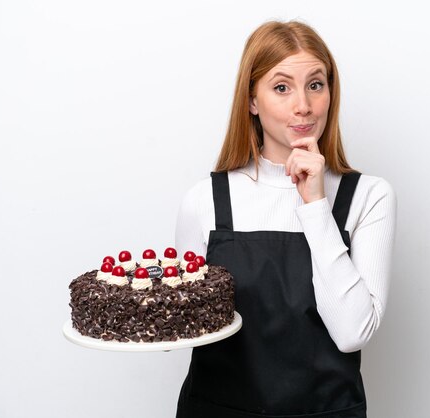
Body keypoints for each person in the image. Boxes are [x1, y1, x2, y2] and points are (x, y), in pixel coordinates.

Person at [174, 19, 397, 418]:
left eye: (316, 84)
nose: (304, 106)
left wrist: (314, 204)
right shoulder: (205, 200)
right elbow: (188, 323)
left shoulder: (368, 196)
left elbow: (351, 334)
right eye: (281, 87)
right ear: (251, 101)